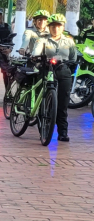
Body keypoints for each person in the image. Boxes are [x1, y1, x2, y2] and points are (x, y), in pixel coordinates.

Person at [27, 14, 77, 142]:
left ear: (63, 27)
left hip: (64, 72)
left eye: (59, 26)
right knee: (45, 101)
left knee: (62, 103)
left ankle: (63, 132)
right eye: (53, 26)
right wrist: (38, 58)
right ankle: (44, 128)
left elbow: (73, 58)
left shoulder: (69, 41)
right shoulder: (42, 40)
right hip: (46, 71)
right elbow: (35, 53)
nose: (56, 29)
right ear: (49, 27)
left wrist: (68, 64)